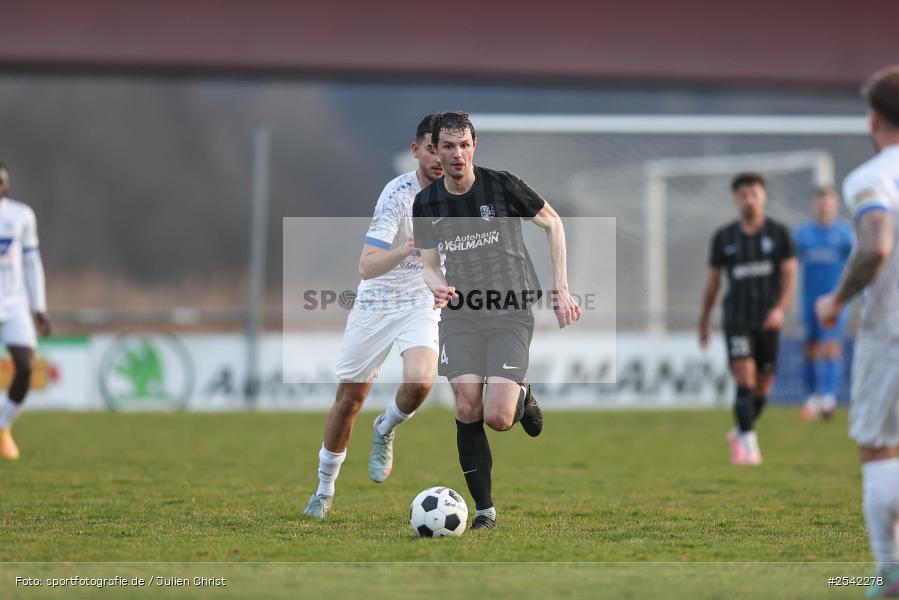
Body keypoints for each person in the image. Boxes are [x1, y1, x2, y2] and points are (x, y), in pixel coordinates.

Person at [413, 111, 581, 530]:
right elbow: (429, 264)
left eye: (464, 145)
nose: (456, 154)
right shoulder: (427, 203)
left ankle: (520, 397)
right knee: (468, 406)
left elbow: (554, 224)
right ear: (435, 150)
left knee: (498, 418)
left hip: (509, 309)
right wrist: (437, 284)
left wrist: (561, 287)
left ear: (474, 146)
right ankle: (484, 512)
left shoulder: (501, 185)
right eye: (447, 146)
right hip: (461, 314)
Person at [303, 115, 444, 518]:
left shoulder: (463, 191)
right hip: (378, 301)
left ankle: (385, 429)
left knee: (420, 382)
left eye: (449, 148)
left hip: (420, 299)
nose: (442, 157)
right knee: (349, 400)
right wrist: (407, 249)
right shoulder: (397, 196)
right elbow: (366, 266)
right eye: (432, 149)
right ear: (417, 151)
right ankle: (324, 491)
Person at [815, 65, 899, 597]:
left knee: (878, 446)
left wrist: (836, 299)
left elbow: (874, 245)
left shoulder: (872, 178)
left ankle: (888, 572)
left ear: (873, 118)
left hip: (890, 334)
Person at [698, 172, 797, 465]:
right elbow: (714, 282)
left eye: (754, 193)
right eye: (743, 194)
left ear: (763, 196)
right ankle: (750, 447)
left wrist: (780, 309)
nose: (749, 199)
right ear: (736, 198)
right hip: (737, 318)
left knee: (763, 386)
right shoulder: (724, 237)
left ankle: (740, 431)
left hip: (768, 320)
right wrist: (703, 320)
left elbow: (790, 278)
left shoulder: (779, 234)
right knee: (745, 378)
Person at [0, 162, 51, 460]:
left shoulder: (21, 216)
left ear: (6, 186)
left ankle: (3, 426)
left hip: (14, 304)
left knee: (26, 367)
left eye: (1, 181)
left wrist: (39, 307)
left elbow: (32, 263)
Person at [794, 187, 853, 421]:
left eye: (828, 202)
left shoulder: (845, 235)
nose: (824, 206)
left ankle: (828, 397)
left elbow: (855, 264)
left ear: (836, 205)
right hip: (809, 300)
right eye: (820, 202)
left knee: (831, 346)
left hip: (835, 300)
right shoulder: (803, 235)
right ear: (814, 205)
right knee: (810, 348)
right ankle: (811, 396)